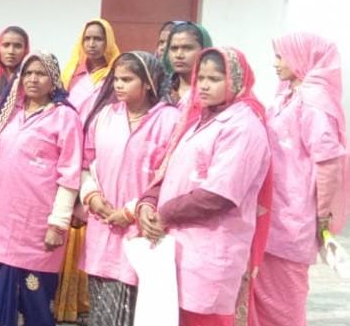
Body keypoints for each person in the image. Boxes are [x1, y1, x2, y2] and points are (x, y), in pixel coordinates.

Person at [137, 47, 272, 326]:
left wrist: (164, 214)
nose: (205, 86)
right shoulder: (198, 120)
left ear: (236, 80)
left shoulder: (244, 127)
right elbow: (169, 169)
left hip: (211, 250)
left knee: (205, 319)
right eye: (201, 78)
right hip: (179, 246)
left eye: (215, 79)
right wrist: (148, 203)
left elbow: (219, 195)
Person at [0, 52, 84, 326]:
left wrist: (57, 224)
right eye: (28, 73)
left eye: (41, 73)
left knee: (35, 302)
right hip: (3, 221)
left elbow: (70, 174)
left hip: (38, 225)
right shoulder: (10, 112)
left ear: (54, 80)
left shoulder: (65, 117)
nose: (33, 79)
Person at [253, 33, 349, 326]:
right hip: (273, 212)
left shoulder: (313, 103)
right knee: (262, 298)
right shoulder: (288, 95)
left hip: (293, 218)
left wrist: (323, 216)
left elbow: (329, 161)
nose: (275, 63)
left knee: (285, 304)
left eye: (281, 56)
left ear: (301, 57)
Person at [78, 52, 179, 326]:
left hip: (140, 230)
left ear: (148, 83)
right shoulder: (104, 117)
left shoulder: (170, 120)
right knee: (100, 314)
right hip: (102, 229)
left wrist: (130, 211)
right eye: (117, 79)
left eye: (127, 79)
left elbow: (170, 176)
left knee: (136, 313)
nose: (119, 85)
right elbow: (86, 163)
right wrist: (92, 196)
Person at [57, 19, 119, 323]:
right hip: (68, 150)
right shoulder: (71, 74)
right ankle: (61, 299)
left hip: (97, 157)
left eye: (99, 38)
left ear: (109, 41)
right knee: (65, 219)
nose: (92, 44)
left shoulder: (115, 76)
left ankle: (81, 300)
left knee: (89, 219)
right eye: (88, 38)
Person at [162, 21, 213, 106]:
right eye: (174, 48)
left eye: (187, 48)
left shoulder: (214, 91)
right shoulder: (161, 88)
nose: (179, 55)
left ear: (204, 50)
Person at [0, 25, 30, 97]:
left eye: (18, 46)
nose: (11, 51)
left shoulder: (31, 80)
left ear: (25, 50)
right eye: (6, 45)